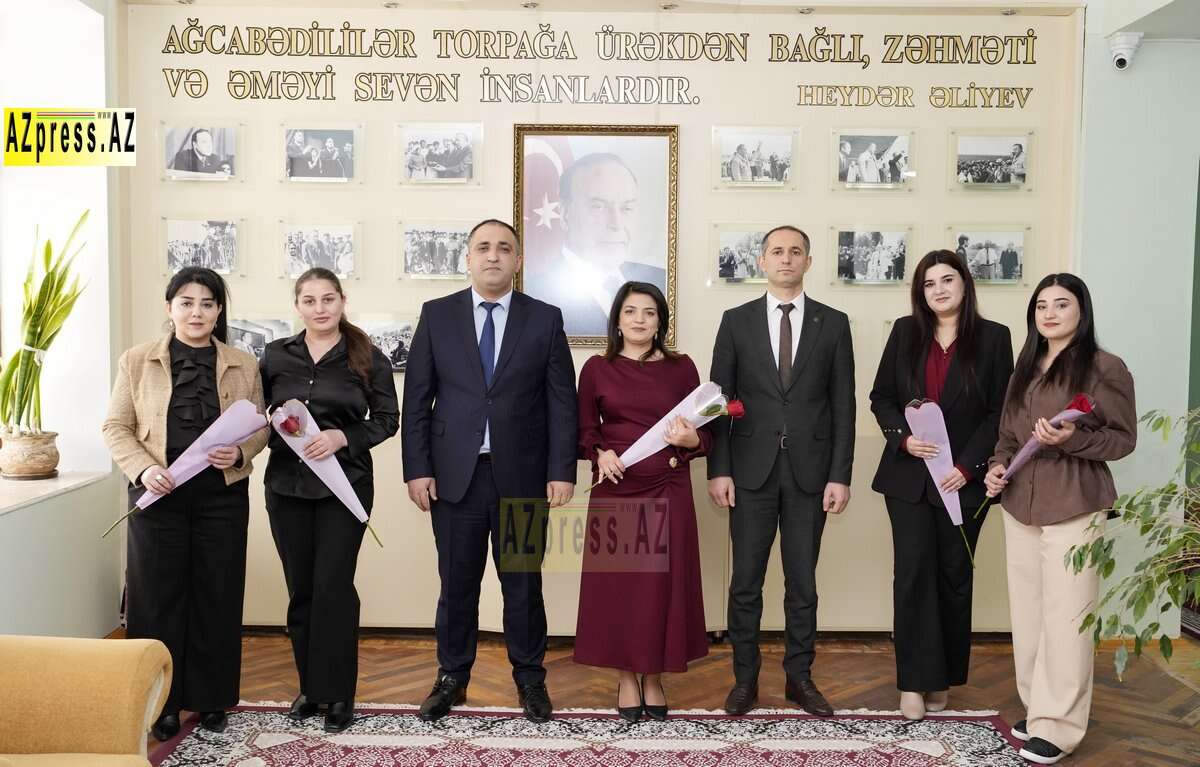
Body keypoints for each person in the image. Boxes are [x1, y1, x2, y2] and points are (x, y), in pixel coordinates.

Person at [402, 219, 578, 724]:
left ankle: (530, 679)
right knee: (457, 586)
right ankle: (452, 678)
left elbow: (561, 402)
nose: (493, 255)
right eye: (483, 247)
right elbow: (417, 399)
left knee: (522, 585)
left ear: (518, 261)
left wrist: (561, 470)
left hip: (523, 478)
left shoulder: (544, 318)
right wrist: (417, 468)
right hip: (454, 479)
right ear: (468, 258)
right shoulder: (437, 315)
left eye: (504, 248)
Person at [102, 267, 268, 741]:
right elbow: (115, 427)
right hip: (158, 495)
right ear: (169, 307)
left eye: (207, 304)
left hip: (221, 496)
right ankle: (162, 702)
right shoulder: (136, 360)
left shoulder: (243, 363)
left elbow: (260, 426)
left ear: (219, 311)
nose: (197, 312)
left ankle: (212, 698)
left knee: (218, 594)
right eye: (187, 302)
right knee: (156, 599)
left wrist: (240, 453)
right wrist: (143, 469)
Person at [984, 274, 1136, 765]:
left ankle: (1061, 728)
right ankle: (1039, 710)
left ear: (1081, 311)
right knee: (1029, 614)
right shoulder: (1025, 368)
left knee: (1068, 616)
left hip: (1075, 501)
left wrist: (1071, 440)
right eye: (1041, 305)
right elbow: (1008, 436)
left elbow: (1123, 439)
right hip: (1020, 504)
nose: (1049, 313)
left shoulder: (1105, 367)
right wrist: (997, 467)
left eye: (1061, 304)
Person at [707, 225, 855, 717]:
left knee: (802, 584)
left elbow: (844, 406)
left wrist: (840, 475)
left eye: (795, 252)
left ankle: (799, 678)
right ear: (762, 261)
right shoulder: (736, 322)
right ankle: (744, 680)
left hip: (811, 474)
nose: (786, 259)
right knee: (745, 582)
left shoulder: (834, 324)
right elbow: (719, 401)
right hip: (749, 473)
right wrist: (718, 470)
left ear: (808, 262)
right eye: (777, 251)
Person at [868, 250, 1013, 721]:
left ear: (965, 284)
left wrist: (968, 466)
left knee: (954, 575)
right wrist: (903, 439)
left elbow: (1000, 410)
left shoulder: (994, 338)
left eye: (947, 280)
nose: (939, 290)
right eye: (929, 283)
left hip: (962, 483)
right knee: (912, 575)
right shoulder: (904, 332)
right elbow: (881, 397)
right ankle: (913, 680)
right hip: (909, 479)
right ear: (920, 292)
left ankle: (943, 676)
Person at [259, 268, 399, 733]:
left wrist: (343, 436)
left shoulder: (368, 357)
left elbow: (387, 419)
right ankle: (311, 688)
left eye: (328, 299)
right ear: (297, 306)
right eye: (309, 300)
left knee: (333, 588)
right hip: (286, 488)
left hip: (344, 486)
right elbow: (260, 414)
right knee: (301, 589)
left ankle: (339, 693)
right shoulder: (276, 355)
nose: (320, 308)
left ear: (342, 301)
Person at [573, 282, 710, 723]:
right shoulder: (597, 368)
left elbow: (704, 430)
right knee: (622, 589)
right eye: (631, 311)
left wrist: (693, 440)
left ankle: (653, 676)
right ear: (617, 319)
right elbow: (584, 429)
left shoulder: (682, 367)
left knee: (662, 588)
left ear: (660, 322)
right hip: (617, 486)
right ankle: (626, 678)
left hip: (669, 485)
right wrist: (599, 453)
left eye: (649, 312)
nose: (639, 319)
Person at [522, 153, 667, 337]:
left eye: (627, 208)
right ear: (565, 214)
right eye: (598, 207)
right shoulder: (533, 297)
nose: (616, 224)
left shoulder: (662, 282)